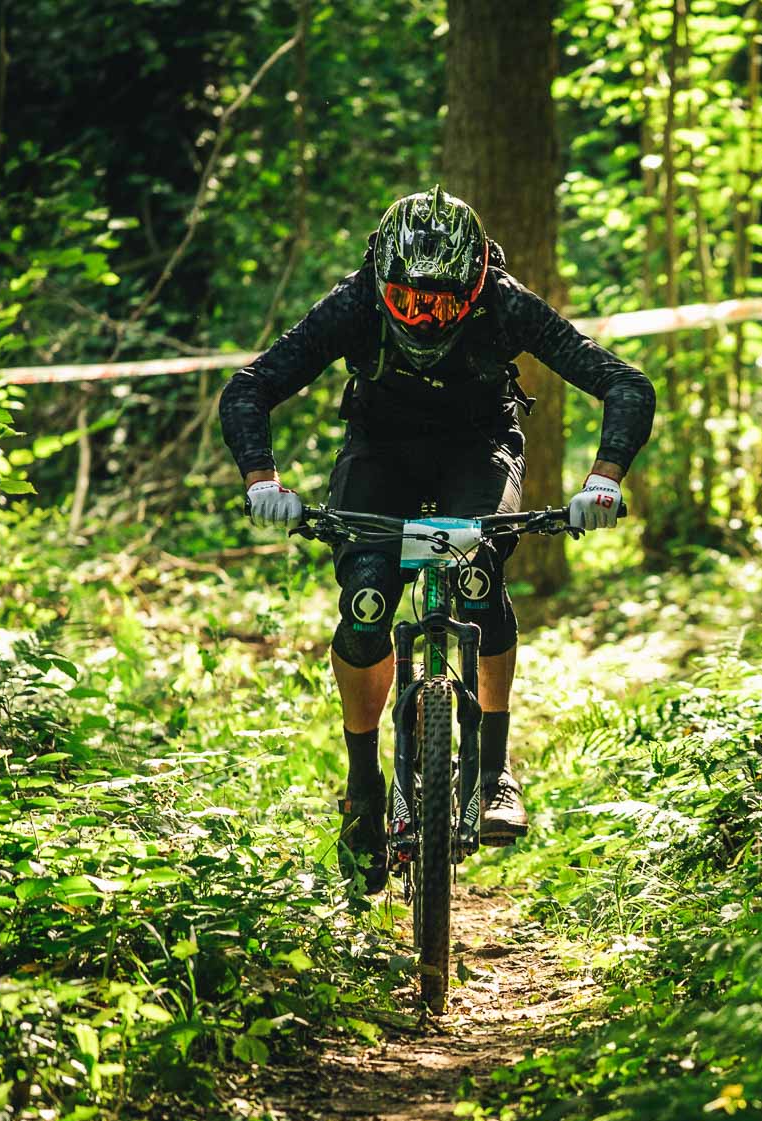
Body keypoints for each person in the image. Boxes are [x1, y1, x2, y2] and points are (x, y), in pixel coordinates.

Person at [219, 184, 654, 890]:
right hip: (380, 456)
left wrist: (603, 480)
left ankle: (493, 772)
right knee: (365, 607)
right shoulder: (355, 302)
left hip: (476, 453)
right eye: (410, 303)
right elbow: (250, 386)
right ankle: (362, 788)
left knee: (477, 580)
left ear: (476, 283)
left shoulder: (507, 303)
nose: (425, 318)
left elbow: (623, 384)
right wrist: (261, 480)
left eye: (445, 303)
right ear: (383, 287)